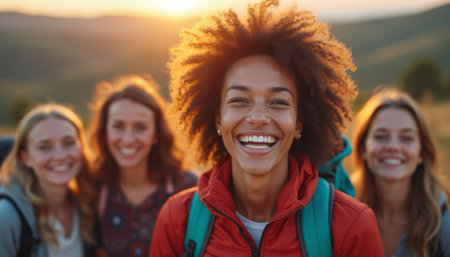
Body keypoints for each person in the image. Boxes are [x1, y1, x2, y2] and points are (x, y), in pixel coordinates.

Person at [150, 0, 384, 256]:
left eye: (278, 102)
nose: (258, 117)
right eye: (239, 100)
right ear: (218, 119)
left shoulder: (351, 226)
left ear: (299, 123)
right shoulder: (178, 221)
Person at [88, 74, 197, 257]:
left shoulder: (189, 188)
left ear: (156, 134)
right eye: (118, 126)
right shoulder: (96, 187)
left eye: (141, 127)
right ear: (105, 131)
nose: (128, 139)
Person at [352, 88, 450, 257]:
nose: (393, 146)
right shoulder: (341, 209)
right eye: (381, 136)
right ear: (363, 149)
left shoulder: (441, 221)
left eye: (407, 137)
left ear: (421, 152)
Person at [0, 103, 97, 257]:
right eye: (44, 147)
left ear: (81, 147)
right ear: (25, 158)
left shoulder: (87, 203)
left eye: (69, 142)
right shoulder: (7, 217)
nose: (60, 156)